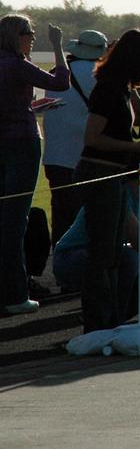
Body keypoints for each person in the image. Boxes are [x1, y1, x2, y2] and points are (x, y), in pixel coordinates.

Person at [76, 28, 140, 332]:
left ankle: (110, 320)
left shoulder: (121, 88)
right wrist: (136, 147)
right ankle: (96, 324)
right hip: (99, 172)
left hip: (113, 174)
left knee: (114, 252)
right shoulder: (107, 90)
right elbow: (92, 137)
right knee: (103, 253)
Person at [1, 16, 70, 315]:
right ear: (17, 36)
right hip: (22, 143)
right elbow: (60, 83)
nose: (32, 39)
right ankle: (15, 293)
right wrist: (57, 46)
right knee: (16, 221)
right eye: (29, 34)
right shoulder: (16, 65)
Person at [53, 174, 140, 319]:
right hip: (71, 256)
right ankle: (104, 320)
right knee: (129, 258)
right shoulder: (119, 193)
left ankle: (111, 318)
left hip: (106, 255)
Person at [41, 30, 107, 249]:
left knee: (61, 216)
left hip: (55, 157)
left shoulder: (56, 73)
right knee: (89, 219)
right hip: (86, 159)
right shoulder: (101, 75)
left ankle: (62, 268)